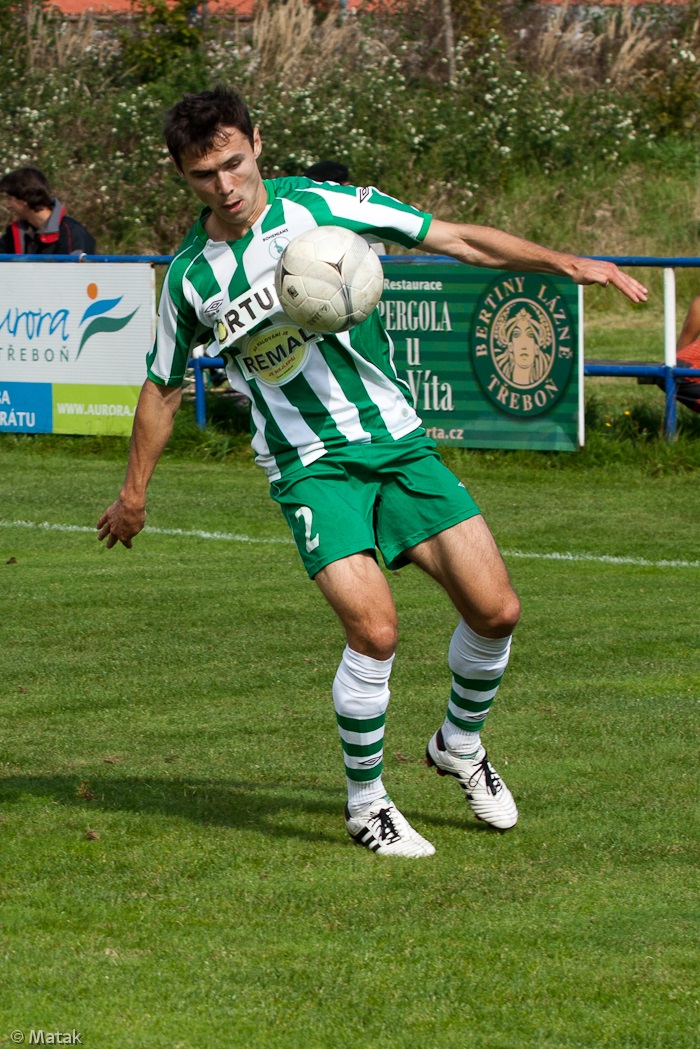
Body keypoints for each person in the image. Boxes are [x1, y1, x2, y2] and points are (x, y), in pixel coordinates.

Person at [97, 86, 648, 858]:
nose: (224, 185)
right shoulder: (191, 276)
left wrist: (568, 262)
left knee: (497, 612)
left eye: (233, 162)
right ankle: (368, 804)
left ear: (258, 142)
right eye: (202, 175)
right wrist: (133, 495)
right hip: (310, 465)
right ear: (182, 178)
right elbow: (160, 384)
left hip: (398, 444)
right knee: (376, 629)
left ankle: (458, 743)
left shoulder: (322, 206)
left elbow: (455, 238)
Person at [0, 166, 96, 255]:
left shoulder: (73, 234)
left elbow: (77, 272)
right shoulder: (14, 233)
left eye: (10, 199)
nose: (8, 205)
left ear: (24, 198)